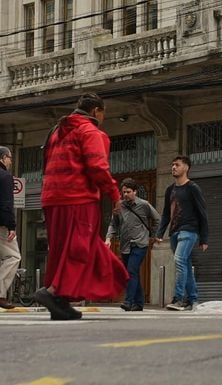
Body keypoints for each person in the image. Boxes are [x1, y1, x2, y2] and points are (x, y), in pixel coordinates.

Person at [36, 93, 129, 320]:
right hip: (78, 198)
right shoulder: (91, 132)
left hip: (52, 198)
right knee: (79, 249)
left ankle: (60, 301)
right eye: (103, 113)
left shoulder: (57, 131)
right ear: (96, 111)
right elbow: (98, 167)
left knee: (64, 250)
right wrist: (114, 195)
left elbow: (46, 164)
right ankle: (53, 292)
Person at [156, 155, 208, 311]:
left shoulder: (193, 188)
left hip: (189, 230)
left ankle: (178, 299)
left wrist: (204, 238)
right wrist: (160, 232)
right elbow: (166, 213)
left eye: (177, 165)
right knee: (185, 264)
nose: (173, 167)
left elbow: (202, 212)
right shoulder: (170, 190)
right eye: (172, 165)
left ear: (186, 168)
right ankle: (193, 299)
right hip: (174, 232)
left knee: (179, 261)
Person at [105, 178, 160, 312]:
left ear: (135, 192)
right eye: (124, 192)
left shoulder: (144, 205)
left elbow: (157, 219)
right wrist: (108, 238)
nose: (125, 194)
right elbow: (113, 224)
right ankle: (139, 303)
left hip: (140, 244)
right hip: (125, 245)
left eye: (128, 192)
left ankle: (128, 301)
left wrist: (153, 235)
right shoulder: (119, 206)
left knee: (131, 271)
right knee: (133, 273)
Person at [0, 146, 21, 309]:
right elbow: (6, 203)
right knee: (13, 257)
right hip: (1, 225)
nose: (11, 161)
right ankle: (0, 293)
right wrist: (11, 226)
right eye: (9, 157)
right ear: (2, 158)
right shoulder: (5, 177)